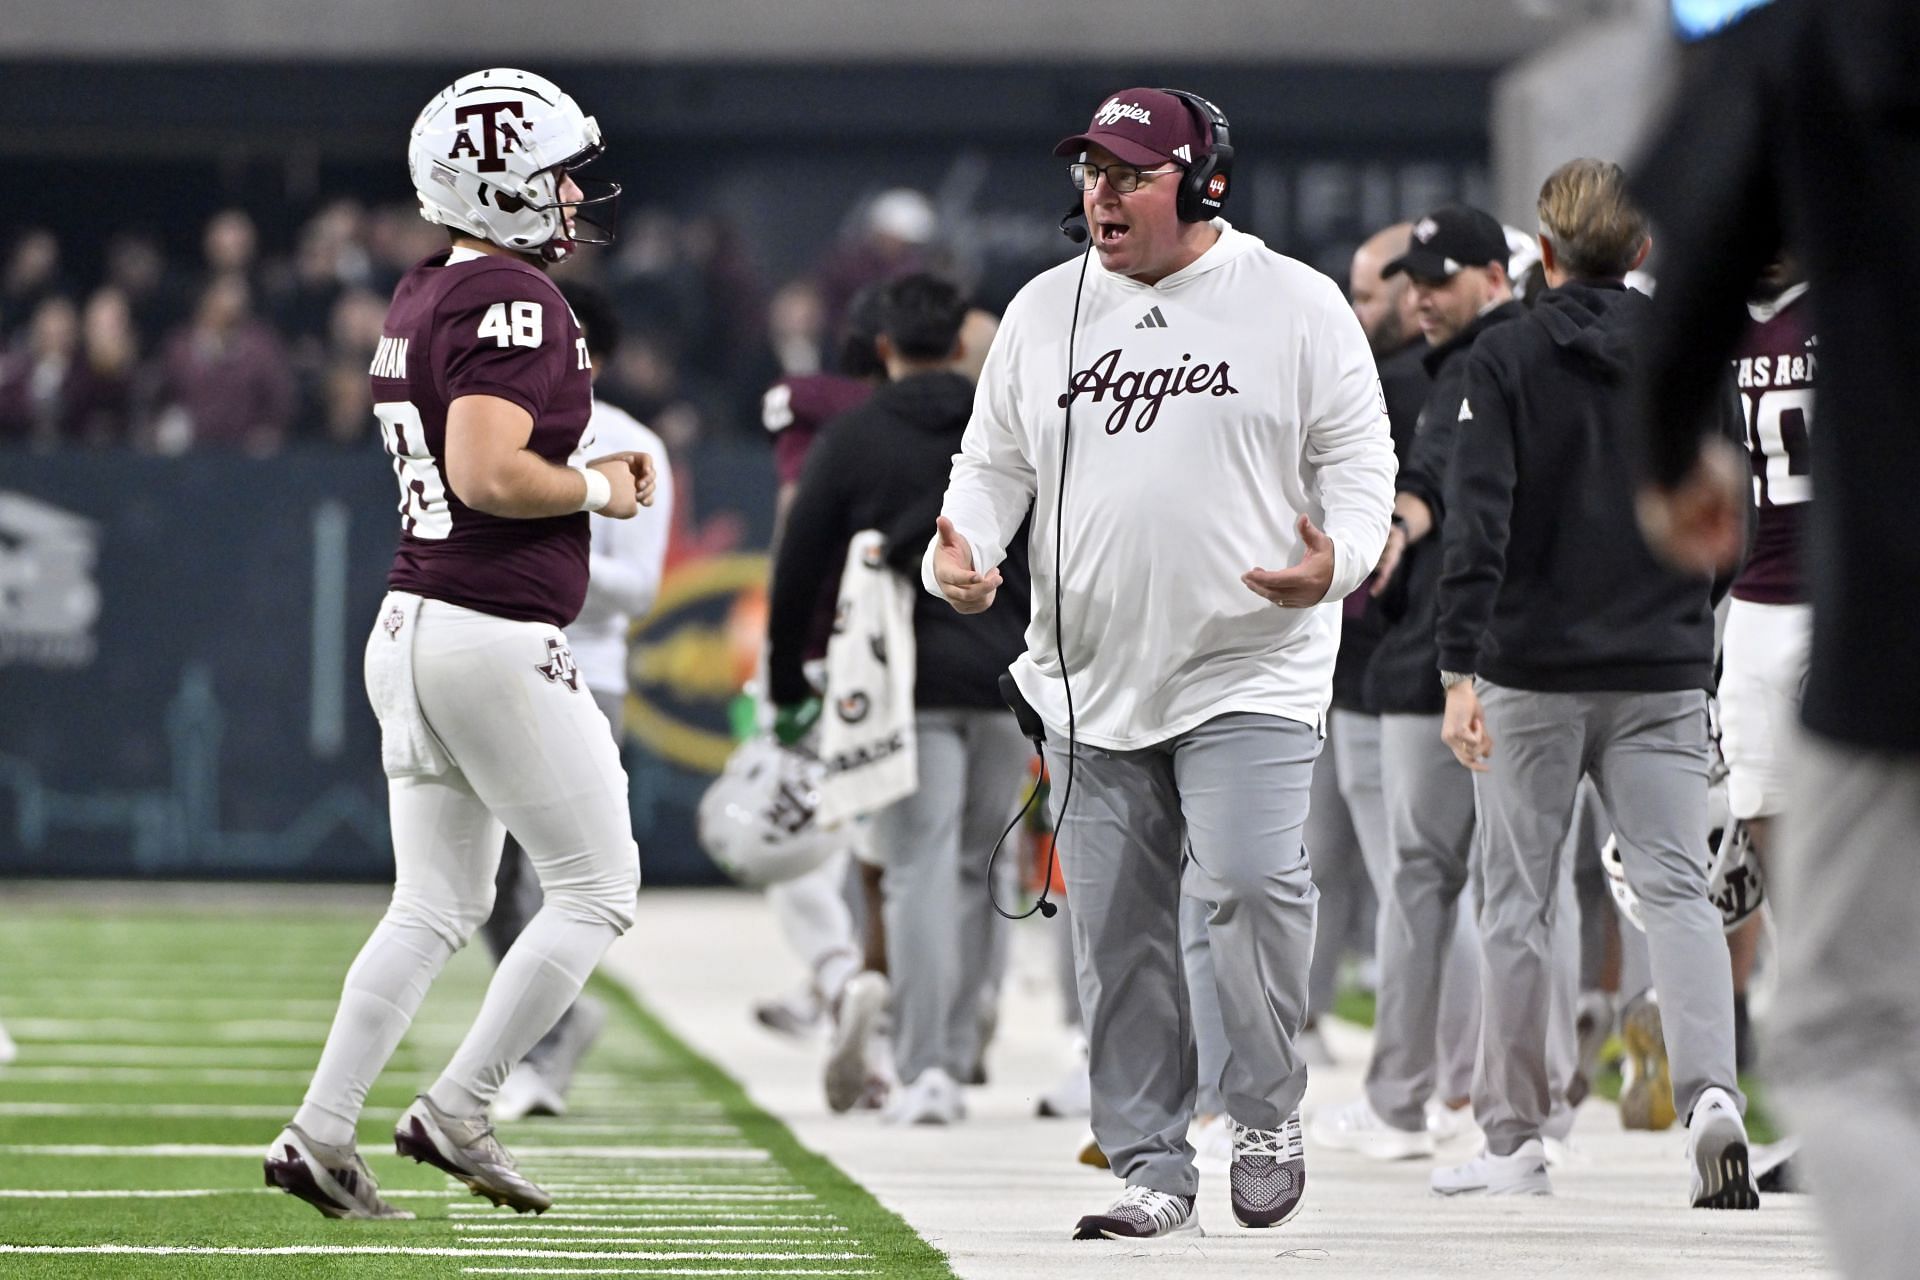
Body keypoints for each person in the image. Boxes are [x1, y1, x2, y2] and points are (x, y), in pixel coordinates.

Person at [927, 86, 1395, 1238]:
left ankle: (1265, 1103)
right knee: (1121, 936)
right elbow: (992, 463)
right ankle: (1151, 1162)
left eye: (1130, 173)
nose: (1102, 193)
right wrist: (968, 548)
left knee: (1243, 884)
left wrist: (1337, 562)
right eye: (1091, 172)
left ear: (1203, 184)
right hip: (1090, 675)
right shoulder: (1044, 310)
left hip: (1252, 665)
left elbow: (1359, 460)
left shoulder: (1295, 302)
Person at [264, 67, 652, 1221]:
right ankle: (462, 1103)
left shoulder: (424, 288)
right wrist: (597, 484)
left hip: (415, 620)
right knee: (597, 887)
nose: (575, 194)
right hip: (489, 628)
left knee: (433, 899)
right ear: (501, 185)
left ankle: (322, 1130)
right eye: (556, 175)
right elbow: (488, 471)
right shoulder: (513, 299)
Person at [1632, 1, 1918, 1268]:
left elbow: (1692, 210)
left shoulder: (1816, 41)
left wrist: (1663, 445)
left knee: (1849, 1020)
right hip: (1785, 608)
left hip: (1879, 612)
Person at [1429, 158, 1753, 1208]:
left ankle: (1517, 1139)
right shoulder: (1693, 351)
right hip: (1660, 662)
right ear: (1644, 250)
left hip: (1530, 666)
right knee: (1675, 887)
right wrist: (1695, 627)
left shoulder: (1505, 355)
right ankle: (1712, 1093)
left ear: (1546, 249)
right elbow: (1726, 508)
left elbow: (1479, 522)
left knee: (1517, 902)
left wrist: (1456, 665)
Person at [769, 272, 1030, 1126]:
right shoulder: (1008, 424)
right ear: (961, 342)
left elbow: (800, 562)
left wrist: (782, 675)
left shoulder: (854, 435)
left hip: (901, 684)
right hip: (1007, 675)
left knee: (914, 869)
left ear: (883, 347)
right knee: (983, 869)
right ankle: (963, 1040)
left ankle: (922, 1070)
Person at [1316, 204, 1522, 1161]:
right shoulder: (1453, 369)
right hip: (1477, 655)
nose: (1395, 304)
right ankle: (1506, 1098)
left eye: (1384, 290)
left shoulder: (1444, 375)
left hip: (1418, 658)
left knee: (1429, 882)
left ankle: (1430, 1094)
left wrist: (1397, 530)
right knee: (1502, 887)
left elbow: (1435, 488)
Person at [481, 280, 674, 1122]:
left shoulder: (634, 443)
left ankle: (546, 1045)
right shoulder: (497, 426)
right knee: (482, 880)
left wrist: (545, 564)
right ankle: (553, 1025)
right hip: (492, 658)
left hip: (584, 669)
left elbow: (641, 588)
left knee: (557, 873)